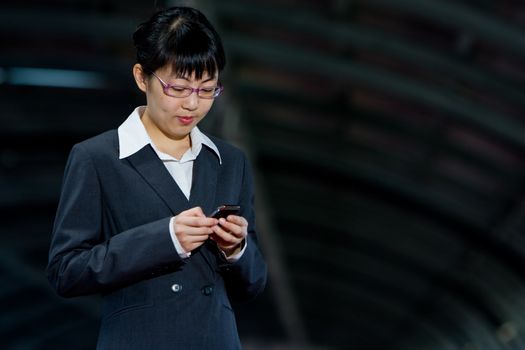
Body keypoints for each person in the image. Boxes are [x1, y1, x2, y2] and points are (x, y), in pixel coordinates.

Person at [46, 6, 267, 349]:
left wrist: (237, 249)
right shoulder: (98, 158)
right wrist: (163, 239)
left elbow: (253, 284)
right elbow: (66, 270)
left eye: (207, 89)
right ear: (141, 77)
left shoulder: (230, 161)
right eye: (177, 88)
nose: (192, 105)